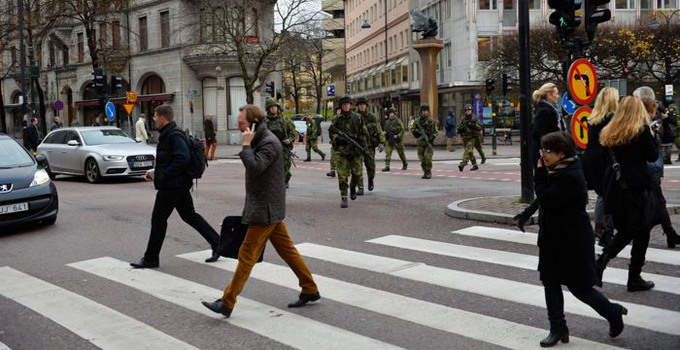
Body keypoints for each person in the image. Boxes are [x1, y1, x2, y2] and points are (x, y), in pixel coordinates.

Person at [202, 104, 320, 318]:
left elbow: (255, 168)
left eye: (241, 124)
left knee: (246, 256)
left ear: (253, 124)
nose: (238, 127)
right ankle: (310, 288)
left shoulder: (268, 143)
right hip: (267, 207)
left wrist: (246, 147)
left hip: (265, 210)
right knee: (288, 251)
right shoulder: (262, 139)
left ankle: (227, 302)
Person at [534, 131, 627, 347]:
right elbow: (544, 198)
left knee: (580, 288)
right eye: (543, 150)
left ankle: (613, 312)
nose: (544, 155)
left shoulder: (571, 175)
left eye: (548, 151)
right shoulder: (556, 169)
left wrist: (538, 174)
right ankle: (558, 328)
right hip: (551, 238)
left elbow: (547, 198)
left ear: (562, 153)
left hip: (572, 240)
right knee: (550, 282)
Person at [130, 105, 220, 269]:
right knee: (189, 216)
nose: (154, 119)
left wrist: (165, 175)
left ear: (163, 118)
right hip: (177, 184)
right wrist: (154, 173)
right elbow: (169, 159)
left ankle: (151, 258)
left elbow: (182, 157)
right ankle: (218, 243)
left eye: (156, 116)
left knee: (158, 220)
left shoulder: (173, 134)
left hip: (172, 186)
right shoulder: (169, 133)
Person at [596, 96, 658, 292]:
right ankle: (633, 276)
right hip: (636, 188)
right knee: (641, 230)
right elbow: (652, 155)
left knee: (627, 230)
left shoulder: (610, 132)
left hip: (616, 188)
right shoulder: (640, 131)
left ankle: (602, 263)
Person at [512, 83, 562, 231]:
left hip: (548, 154)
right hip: (546, 156)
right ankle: (535, 219)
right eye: (556, 93)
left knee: (549, 188)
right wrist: (549, 149)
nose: (558, 96)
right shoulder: (545, 111)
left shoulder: (548, 109)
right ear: (548, 95)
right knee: (548, 188)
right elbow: (538, 133)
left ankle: (526, 216)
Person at [583, 87, 619, 247]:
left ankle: (599, 228)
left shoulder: (594, 118)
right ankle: (605, 230)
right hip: (605, 160)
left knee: (601, 194)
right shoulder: (612, 118)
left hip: (592, 159)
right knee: (608, 194)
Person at [329, 95, 369, 208]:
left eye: (348, 104)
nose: (346, 106)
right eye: (344, 104)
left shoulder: (357, 118)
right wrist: (338, 139)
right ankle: (344, 197)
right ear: (341, 106)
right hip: (342, 152)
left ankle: (352, 187)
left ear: (350, 105)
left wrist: (364, 146)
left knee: (357, 174)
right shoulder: (337, 119)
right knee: (342, 175)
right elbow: (331, 133)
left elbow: (364, 133)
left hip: (355, 150)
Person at [264, 98, 297, 188]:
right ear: (268, 109)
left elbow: (294, 132)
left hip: (283, 147)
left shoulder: (285, 120)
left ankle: (285, 180)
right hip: (270, 147)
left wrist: (289, 140)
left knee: (285, 166)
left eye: (275, 106)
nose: (273, 109)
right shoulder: (265, 122)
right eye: (271, 107)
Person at [356, 97, 385, 192]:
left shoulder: (371, 117)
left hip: (369, 146)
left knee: (371, 167)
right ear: (357, 106)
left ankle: (370, 180)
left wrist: (382, 142)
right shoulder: (354, 117)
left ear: (366, 106)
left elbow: (379, 129)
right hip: (357, 146)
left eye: (363, 104)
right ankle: (360, 187)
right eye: (360, 105)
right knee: (357, 168)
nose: (361, 106)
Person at [411, 104, 437, 179]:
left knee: (427, 157)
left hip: (429, 142)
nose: (425, 112)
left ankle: (428, 171)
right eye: (423, 111)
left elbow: (436, 131)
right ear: (421, 111)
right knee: (422, 158)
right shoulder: (417, 121)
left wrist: (433, 137)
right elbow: (412, 129)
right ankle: (425, 171)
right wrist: (416, 131)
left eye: (426, 111)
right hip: (420, 143)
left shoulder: (431, 121)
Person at [382, 107, 408, 172]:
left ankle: (405, 163)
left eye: (392, 113)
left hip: (397, 140)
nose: (391, 114)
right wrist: (384, 135)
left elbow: (402, 130)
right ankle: (387, 166)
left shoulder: (398, 120)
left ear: (394, 114)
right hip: (389, 139)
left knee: (401, 153)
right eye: (390, 113)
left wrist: (398, 135)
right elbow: (386, 130)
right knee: (388, 152)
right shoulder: (387, 122)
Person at [458, 104, 482, 172]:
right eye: (467, 110)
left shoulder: (474, 118)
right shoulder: (463, 118)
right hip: (465, 137)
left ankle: (463, 164)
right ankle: (475, 165)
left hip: (472, 137)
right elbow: (459, 127)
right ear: (465, 111)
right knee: (470, 152)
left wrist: (474, 125)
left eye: (470, 110)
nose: (468, 111)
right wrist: (461, 129)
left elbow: (480, 126)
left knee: (468, 151)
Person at [327, 107, 341, 178]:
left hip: (343, 141)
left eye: (340, 110)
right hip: (335, 140)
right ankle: (332, 170)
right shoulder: (335, 118)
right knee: (333, 155)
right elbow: (331, 129)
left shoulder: (345, 118)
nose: (338, 112)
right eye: (337, 110)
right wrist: (332, 138)